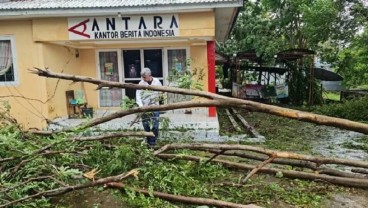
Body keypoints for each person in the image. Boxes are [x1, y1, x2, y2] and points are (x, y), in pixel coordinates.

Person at [136, 68, 162, 147]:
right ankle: (148, 142)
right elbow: (138, 96)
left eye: (145, 77)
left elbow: (161, 92)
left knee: (155, 125)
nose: (143, 78)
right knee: (146, 125)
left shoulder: (156, 81)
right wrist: (141, 106)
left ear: (149, 75)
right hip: (145, 107)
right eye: (142, 77)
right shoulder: (141, 83)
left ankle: (153, 142)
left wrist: (159, 99)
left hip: (155, 106)